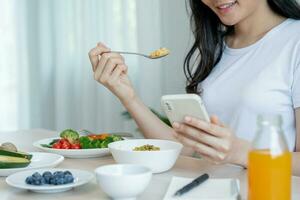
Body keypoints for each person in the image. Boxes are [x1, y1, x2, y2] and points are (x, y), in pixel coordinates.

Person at [88, 0, 300, 176]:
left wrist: (242, 154)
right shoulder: (215, 47)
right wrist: (128, 96)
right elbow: (186, 148)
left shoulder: (295, 40)